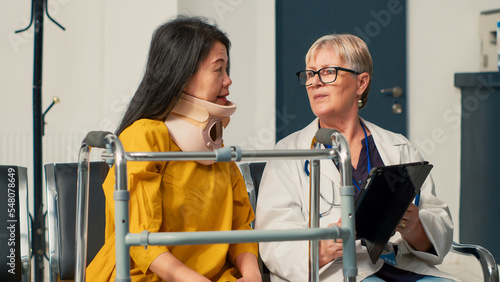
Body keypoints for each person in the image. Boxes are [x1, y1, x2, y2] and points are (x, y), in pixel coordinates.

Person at [255, 33, 456, 281]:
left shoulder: (398, 147)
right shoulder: (288, 154)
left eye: (328, 72)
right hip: (337, 272)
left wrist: (415, 226)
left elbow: (440, 228)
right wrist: (320, 249)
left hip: (403, 267)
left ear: (361, 83)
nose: (315, 82)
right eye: (310, 74)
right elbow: (272, 241)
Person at [86, 16, 261, 282]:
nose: (228, 81)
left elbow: (240, 227)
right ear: (182, 75)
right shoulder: (143, 137)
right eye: (218, 69)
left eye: (227, 69)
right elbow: (141, 239)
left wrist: (252, 275)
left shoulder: (217, 148)